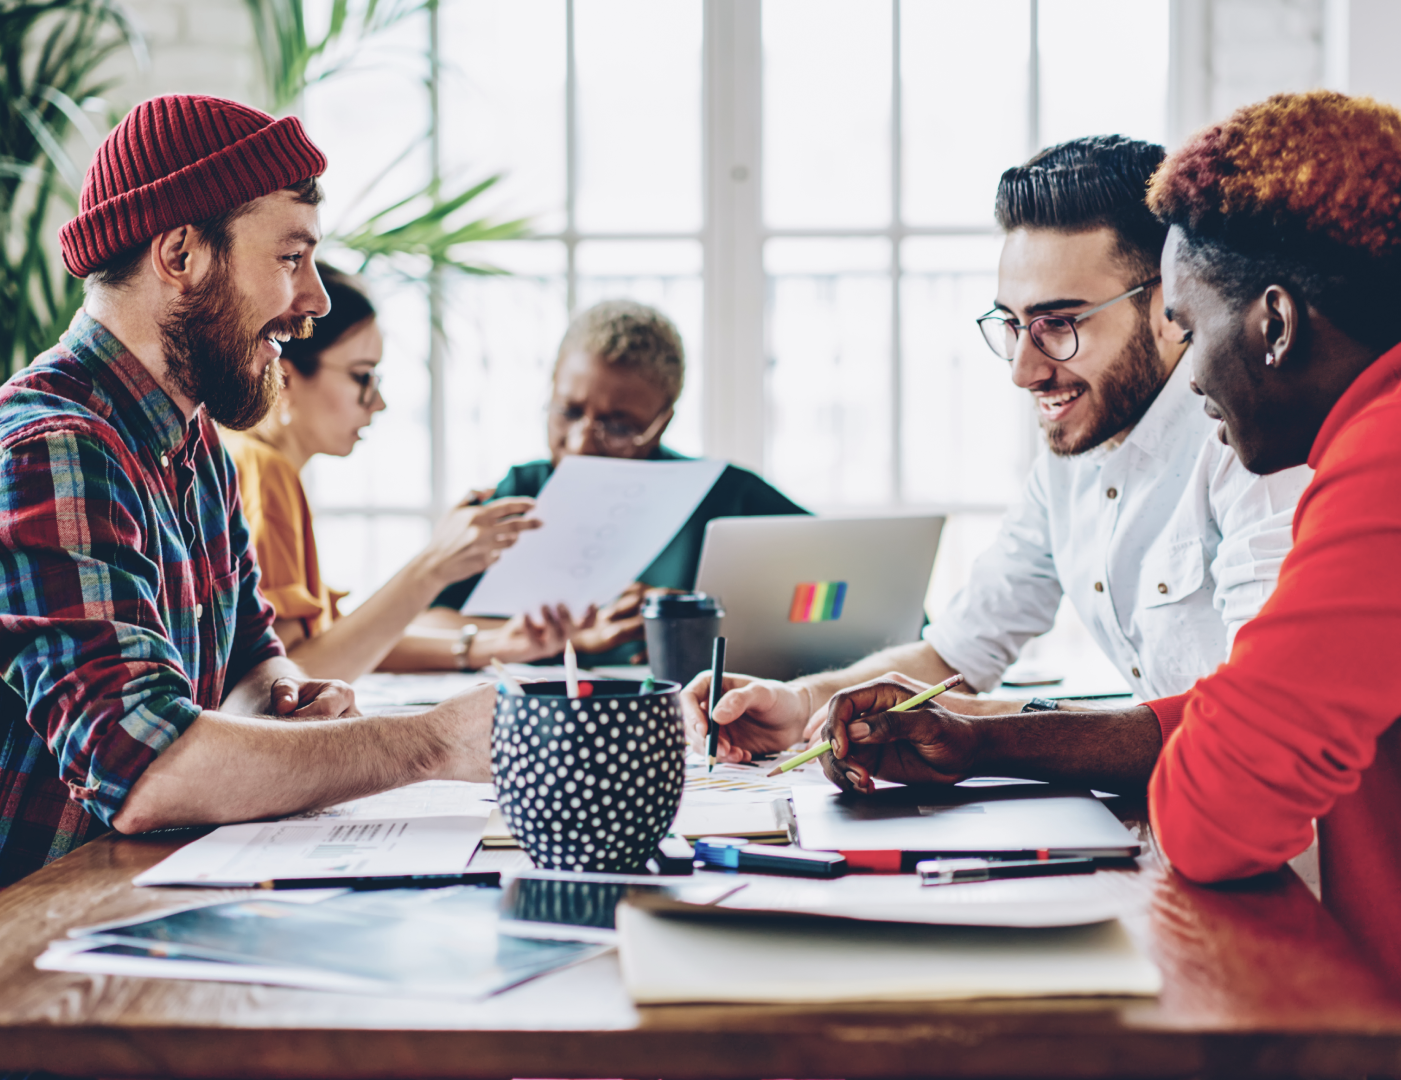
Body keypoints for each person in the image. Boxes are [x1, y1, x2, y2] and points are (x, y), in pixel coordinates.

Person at [812, 91, 1401, 980]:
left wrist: (998, 728)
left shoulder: (1372, 464)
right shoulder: (1359, 442)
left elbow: (1218, 805)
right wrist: (982, 736)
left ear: (1272, 324)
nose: (1188, 363)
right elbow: (1237, 717)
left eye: (1191, 327)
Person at [680, 135, 1311, 762]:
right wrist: (799, 705)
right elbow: (954, 655)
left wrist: (979, 731)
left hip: (1281, 849)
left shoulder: (1251, 446)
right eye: (1011, 325)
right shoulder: (1075, 452)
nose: (1023, 370)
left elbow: (1257, 721)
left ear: (1169, 306)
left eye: (1059, 325)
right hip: (1171, 820)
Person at [0, 95, 495, 887]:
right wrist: (435, 743)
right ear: (179, 255)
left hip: (141, 896)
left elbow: (249, 657)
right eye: (290, 259)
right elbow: (147, 769)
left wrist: (289, 701)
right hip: (35, 934)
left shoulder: (192, 435)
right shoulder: (54, 447)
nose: (316, 301)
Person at [222, 264, 569, 682]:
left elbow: (341, 641)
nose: (379, 402)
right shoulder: (263, 473)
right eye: (362, 376)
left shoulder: (253, 462)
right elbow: (291, 679)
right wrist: (433, 566)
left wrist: (496, 646)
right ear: (285, 377)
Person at [421, 299, 808, 666]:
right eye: (568, 411)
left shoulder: (726, 494)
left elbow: (834, 599)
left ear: (662, 423)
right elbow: (421, 623)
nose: (581, 443)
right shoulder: (519, 493)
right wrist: (556, 636)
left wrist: (700, 620)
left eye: (620, 426)